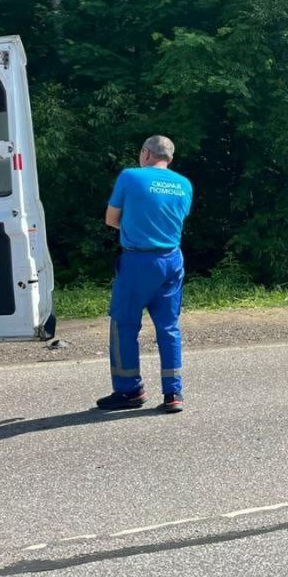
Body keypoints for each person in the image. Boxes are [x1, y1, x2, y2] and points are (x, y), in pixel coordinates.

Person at [96, 135, 194, 414]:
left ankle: (129, 390)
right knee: (169, 326)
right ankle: (173, 393)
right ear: (170, 159)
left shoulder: (130, 176)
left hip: (138, 260)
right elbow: (174, 219)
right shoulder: (184, 184)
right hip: (172, 260)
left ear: (146, 153)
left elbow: (111, 219)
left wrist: (134, 230)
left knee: (124, 325)